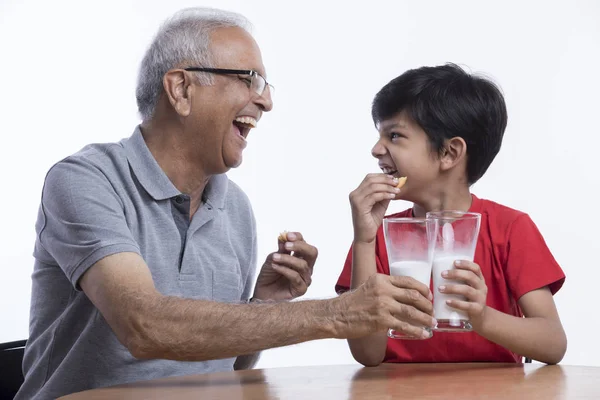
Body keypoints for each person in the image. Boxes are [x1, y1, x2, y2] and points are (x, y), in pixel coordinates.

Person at [17, 8, 436, 399]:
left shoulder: (235, 208)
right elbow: (144, 324)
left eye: (265, 85)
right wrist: (336, 314)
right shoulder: (85, 181)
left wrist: (264, 305)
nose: (267, 101)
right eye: (249, 78)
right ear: (181, 89)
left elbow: (225, 365)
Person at [336, 63, 567, 366]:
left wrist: (482, 317)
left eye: (394, 136)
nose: (376, 149)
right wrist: (363, 242)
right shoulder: (377, 234)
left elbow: (553, 344)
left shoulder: (511, 229)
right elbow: (368, 354)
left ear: (449, 153)